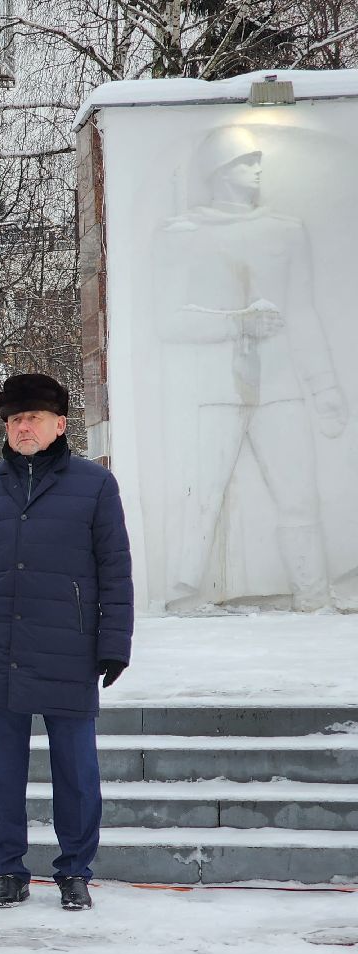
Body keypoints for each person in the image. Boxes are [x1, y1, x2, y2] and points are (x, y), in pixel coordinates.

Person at [0, 373, 133, 912]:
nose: (22, 427)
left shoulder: (95, 485)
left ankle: (74, 870)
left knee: (76, 770)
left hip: (68, 644)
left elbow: (114, 567)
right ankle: (8, 870)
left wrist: (114, 643)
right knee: (1, 770)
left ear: (59, 424)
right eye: (14, 419)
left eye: (32, 417)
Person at [155, 125, 348, 610]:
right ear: (219, 171)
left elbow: (302, 312)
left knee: (298, 494)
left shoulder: (285, 231)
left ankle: (312, 595)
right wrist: (237, 323)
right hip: (215, 388)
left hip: (281, 385)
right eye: (246, 161)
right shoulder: (184, 234)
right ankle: (182, 593)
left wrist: (324, 387)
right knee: (203, 494)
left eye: (258, 160)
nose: (258, 168)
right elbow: (168, 320)